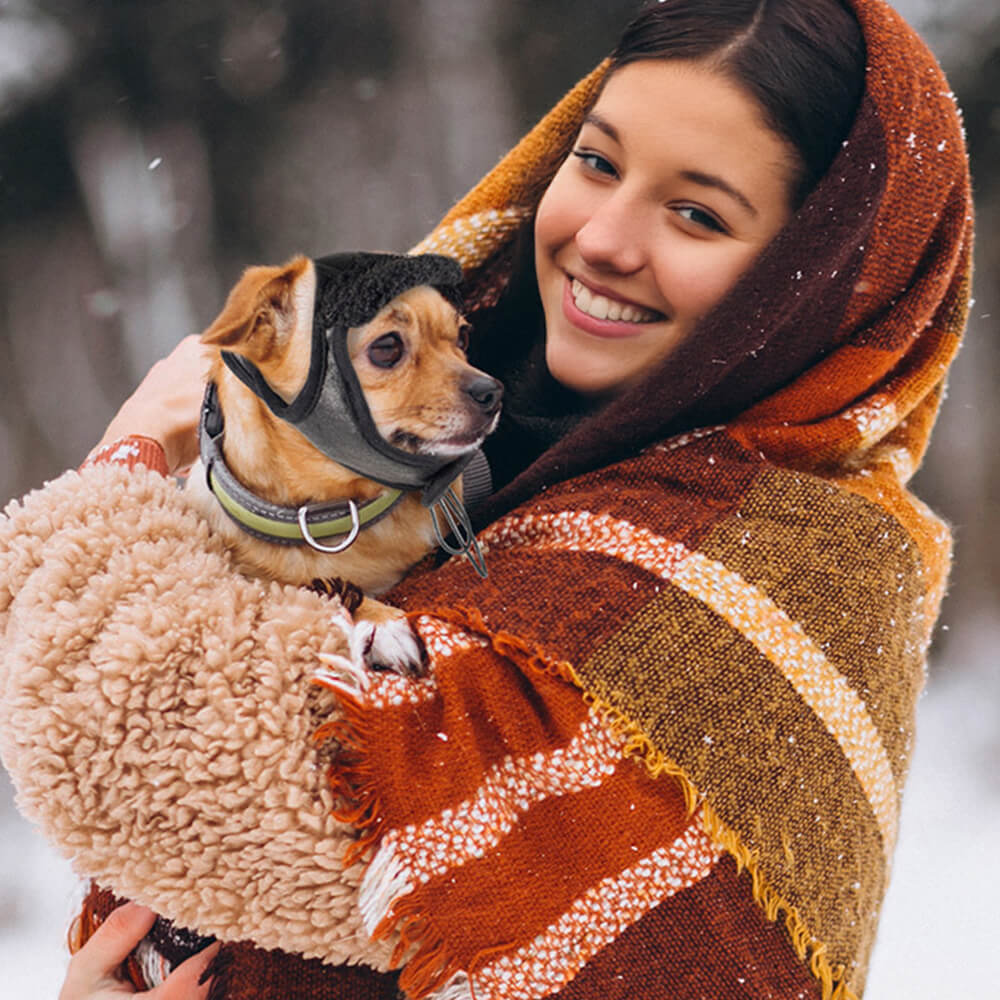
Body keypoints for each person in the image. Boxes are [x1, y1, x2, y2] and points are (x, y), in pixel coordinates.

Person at [0, 0, 972, 998]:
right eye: (596, 162)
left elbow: (154, 761)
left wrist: (120, 471)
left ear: (808, 284)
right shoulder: (429, 451)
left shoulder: (781, 563)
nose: (601, 236)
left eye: (696, 213)